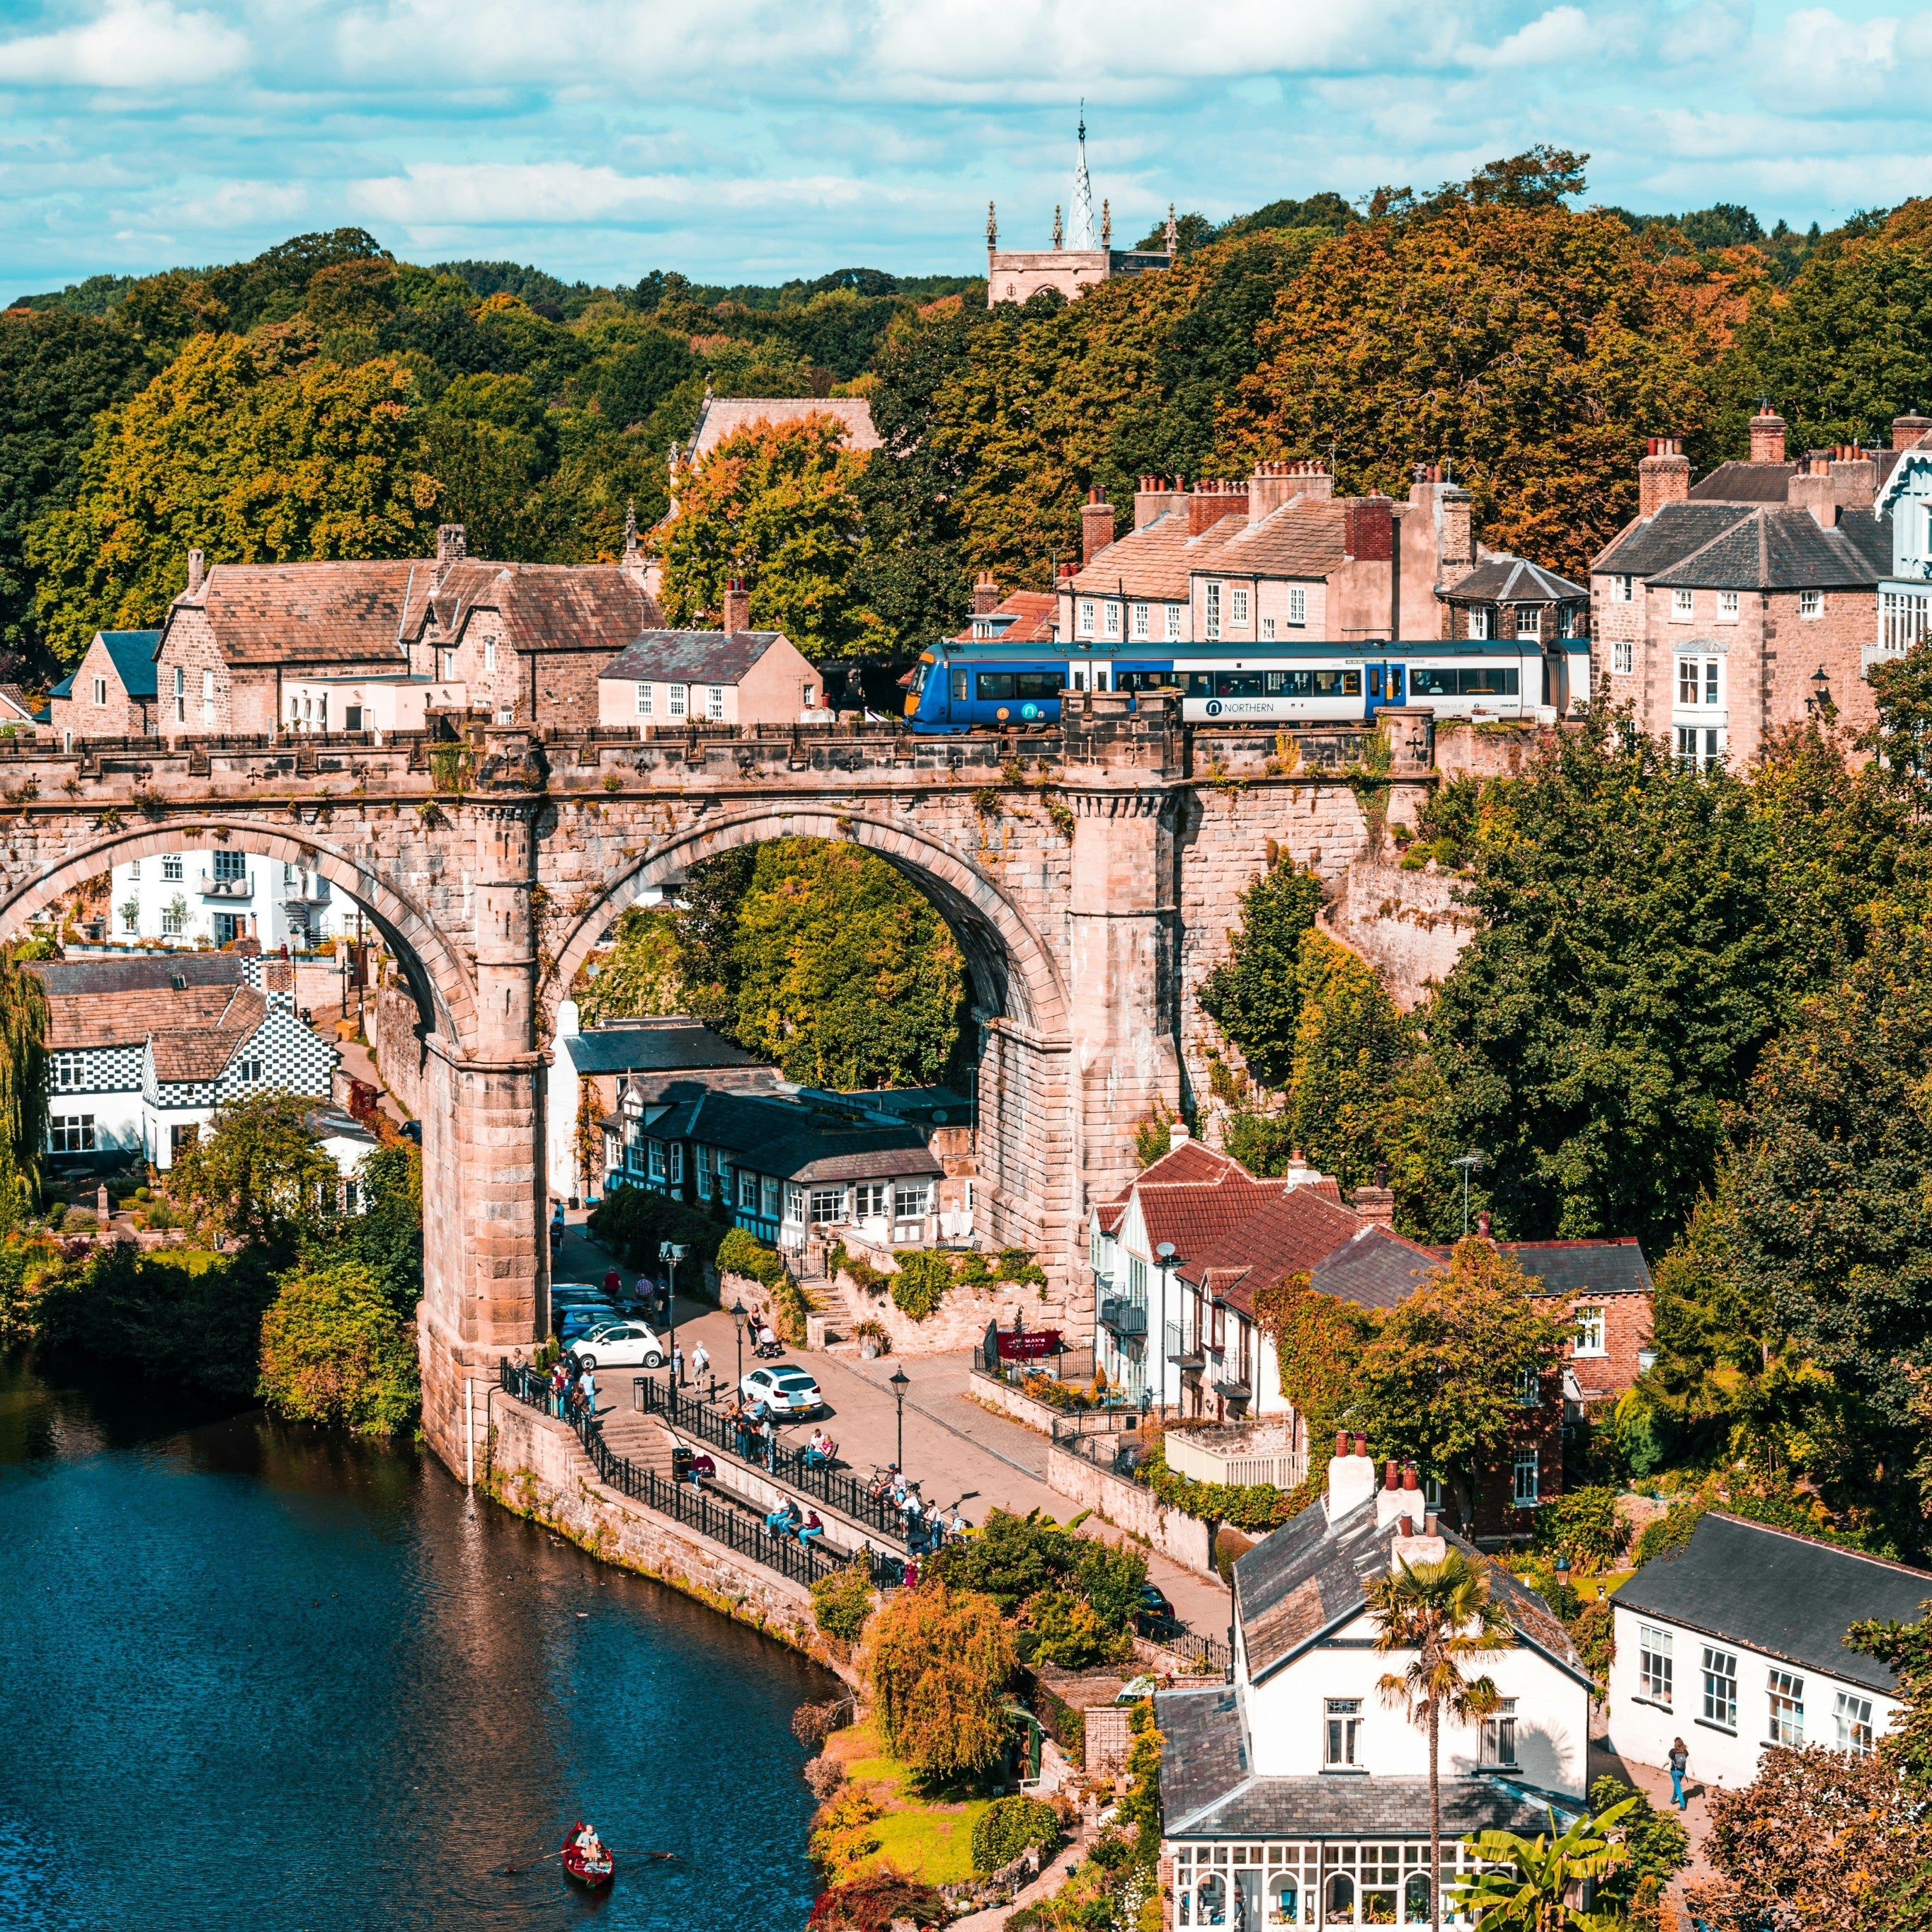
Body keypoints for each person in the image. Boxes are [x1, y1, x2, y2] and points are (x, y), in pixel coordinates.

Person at [1668, 1737, 1689, 1810]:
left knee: (1678, 1787)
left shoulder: (1672, 1751)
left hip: (1675, 1772)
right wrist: (1693, 1771)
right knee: (1677, 1786)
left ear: (1675, 1743)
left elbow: (1667, 1761)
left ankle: (1683, 1805)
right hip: (1682, 1772)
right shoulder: (1685, 1752)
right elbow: (1689, 1761)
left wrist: (1664, 1765)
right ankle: (1673, 1800)